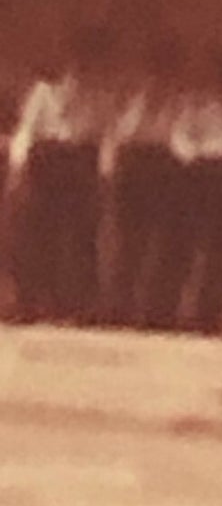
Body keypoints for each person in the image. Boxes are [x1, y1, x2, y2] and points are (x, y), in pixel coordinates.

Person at [7, 27, 117, 324]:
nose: (80, 67)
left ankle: (76, 306)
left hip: (80, 161)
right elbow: (26, 131)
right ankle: (31, 303)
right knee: (39, 235)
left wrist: (105, 175)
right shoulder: (44, 91)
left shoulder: (101, 94)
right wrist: (18, 169)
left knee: (80, 239)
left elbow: (107, 135)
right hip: (49, 160)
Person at [170, 47, 222, 335]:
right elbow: (180, 138)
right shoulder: (199, 106)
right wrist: (195, 157)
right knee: (199, 245)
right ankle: (194, 311)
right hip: (203, 176)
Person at [108, 34, 189, 329]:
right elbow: (120, 134)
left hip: (164, 164)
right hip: (135, 161)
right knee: (130, 242)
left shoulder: (182, 100)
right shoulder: (133, 97)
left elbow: (179, 139)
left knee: (164, 242)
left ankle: (159, 310)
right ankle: (121, 307)